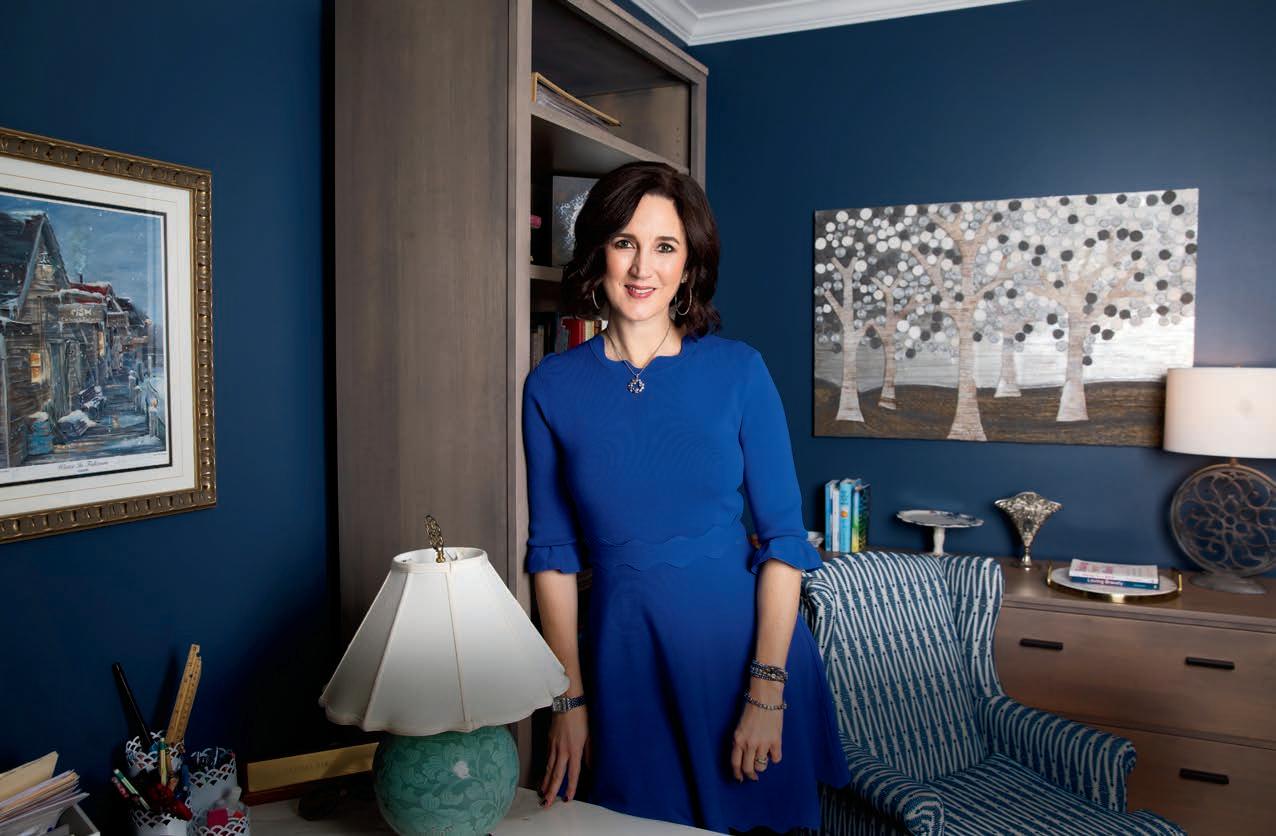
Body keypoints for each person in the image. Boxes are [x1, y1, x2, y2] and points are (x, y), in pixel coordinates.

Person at [523, 161, 850, 834]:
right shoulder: (551, 386)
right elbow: (552, 555)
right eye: (625, 242)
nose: (643, 267)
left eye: (665, 246)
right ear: (599, 252)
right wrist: (568, 700)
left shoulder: (739, 371)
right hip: (625, 661)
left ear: (689, 263)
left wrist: (767, 689)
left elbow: (785, 542)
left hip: (745, 659)